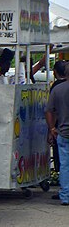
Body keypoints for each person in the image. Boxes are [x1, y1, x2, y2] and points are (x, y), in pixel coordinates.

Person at [46, 60, 69, 205]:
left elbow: (49, 111)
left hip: (64, 133)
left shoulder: (58, 89)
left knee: (65, 165)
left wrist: (52, 128)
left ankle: (66, 196)